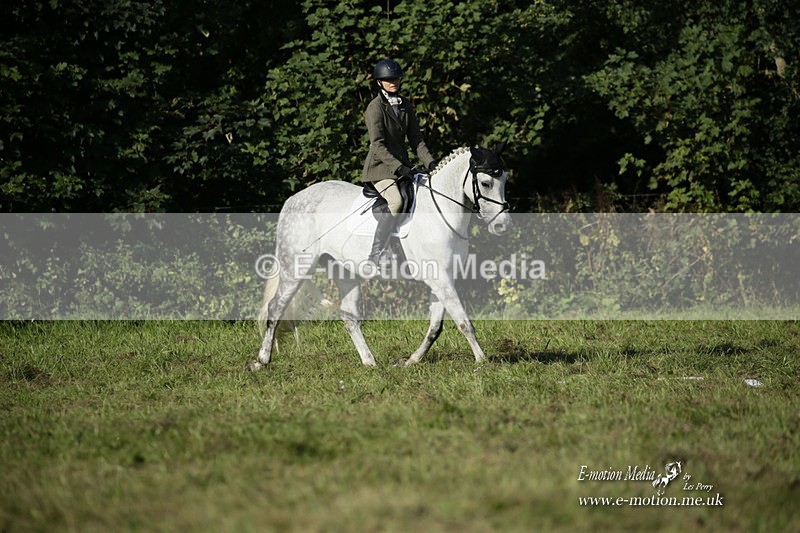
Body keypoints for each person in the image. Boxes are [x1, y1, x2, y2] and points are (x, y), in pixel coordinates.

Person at [362, 58, 438, 266]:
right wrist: (398, 167)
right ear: (379, 82)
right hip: (380, 168)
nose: (393, 82)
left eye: (395, 78)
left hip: (402, 166)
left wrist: (431, 163)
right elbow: (377, 145)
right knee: (396, 201)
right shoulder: (375, 108)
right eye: (388, 79)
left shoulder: (405, 105)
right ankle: (375, 254)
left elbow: (416, 139)